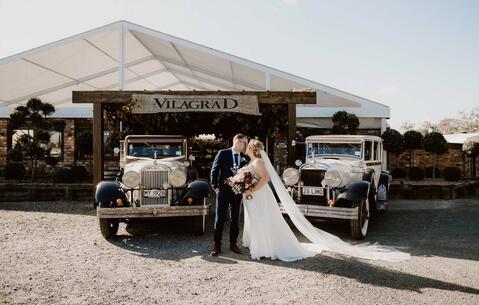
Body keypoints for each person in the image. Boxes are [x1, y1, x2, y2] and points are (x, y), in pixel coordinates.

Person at [241, 139, 410, 262]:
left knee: (358, 189)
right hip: (301, 192)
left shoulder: (360, 166)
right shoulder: (258, 161)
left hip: (337, 183)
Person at [209, 134, 249, 257]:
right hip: (223, 192)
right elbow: (214, 171)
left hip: (237, 193)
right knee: (220, 219)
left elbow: (246, 176)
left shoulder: (244, 157)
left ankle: (233, 244)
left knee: (235, 219)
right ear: (237, 141)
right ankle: (217, 245)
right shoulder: (223, 153)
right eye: (244, 142)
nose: (246, 145)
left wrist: (243, 191)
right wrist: (215, 187)